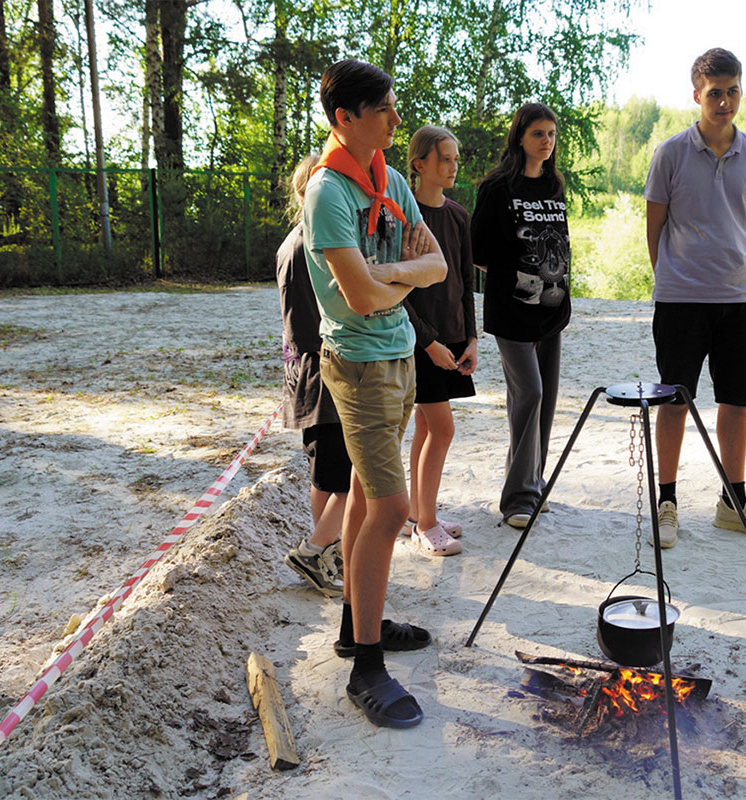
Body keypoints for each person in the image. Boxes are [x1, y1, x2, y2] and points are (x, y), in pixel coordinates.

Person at [302, 59, 448, 729]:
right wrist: (399, 278)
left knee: (366, 498)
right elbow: (356, 300)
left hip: (398, 357)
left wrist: (389, 272)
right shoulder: (330, 192)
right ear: (345, 118)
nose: (395, 118)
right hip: (358, 366)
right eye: (383, 109)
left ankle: (357, 624)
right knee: (392, 510)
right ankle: (365, 668)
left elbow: (437, 265)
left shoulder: (388, 178)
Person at [644, 47, 746, 548]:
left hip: (739, 298)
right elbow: (655, 228)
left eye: (731, 92)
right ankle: (666, 502)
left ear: (740, 92)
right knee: (674, 401)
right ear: (696, 95)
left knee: (737, 403)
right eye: (714, 93)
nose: (724, 102)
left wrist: (732, 272)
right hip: (681, 299)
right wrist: (673, 281)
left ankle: (734, 501)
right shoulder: (671, 153)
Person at [471, 103, 571, 529]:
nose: (546, 142)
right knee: (528, 393)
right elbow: (478, 252)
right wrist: (519, 278)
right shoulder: (497, 188)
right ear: (519, 137)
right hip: (512, 312)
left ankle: (534, 483)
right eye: (538, 134)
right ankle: (516, 499)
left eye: (551, 134)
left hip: (553, 312)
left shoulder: (553, 185)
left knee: (544, 400)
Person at [402, 125, 478, 555]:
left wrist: (471, 337)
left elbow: (466, 282)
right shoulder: (403, 213)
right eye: (444, 158)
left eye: (455, 159)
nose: (452, 167)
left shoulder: (458, 216)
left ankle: (418, 511)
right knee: (442, 429)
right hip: (418, 342)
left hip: (452, 338)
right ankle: (425, 525)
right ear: (420, 164)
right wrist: (429, 342)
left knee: (428, 426)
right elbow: (399, 289)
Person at [277, 152, 348, 598]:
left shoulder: (298, 239)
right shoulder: (308, 245)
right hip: (322, 377)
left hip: (308, 378)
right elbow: (307, 323)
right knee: (350, 475)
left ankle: (326, 555)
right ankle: (315, 549)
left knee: (326, 476)